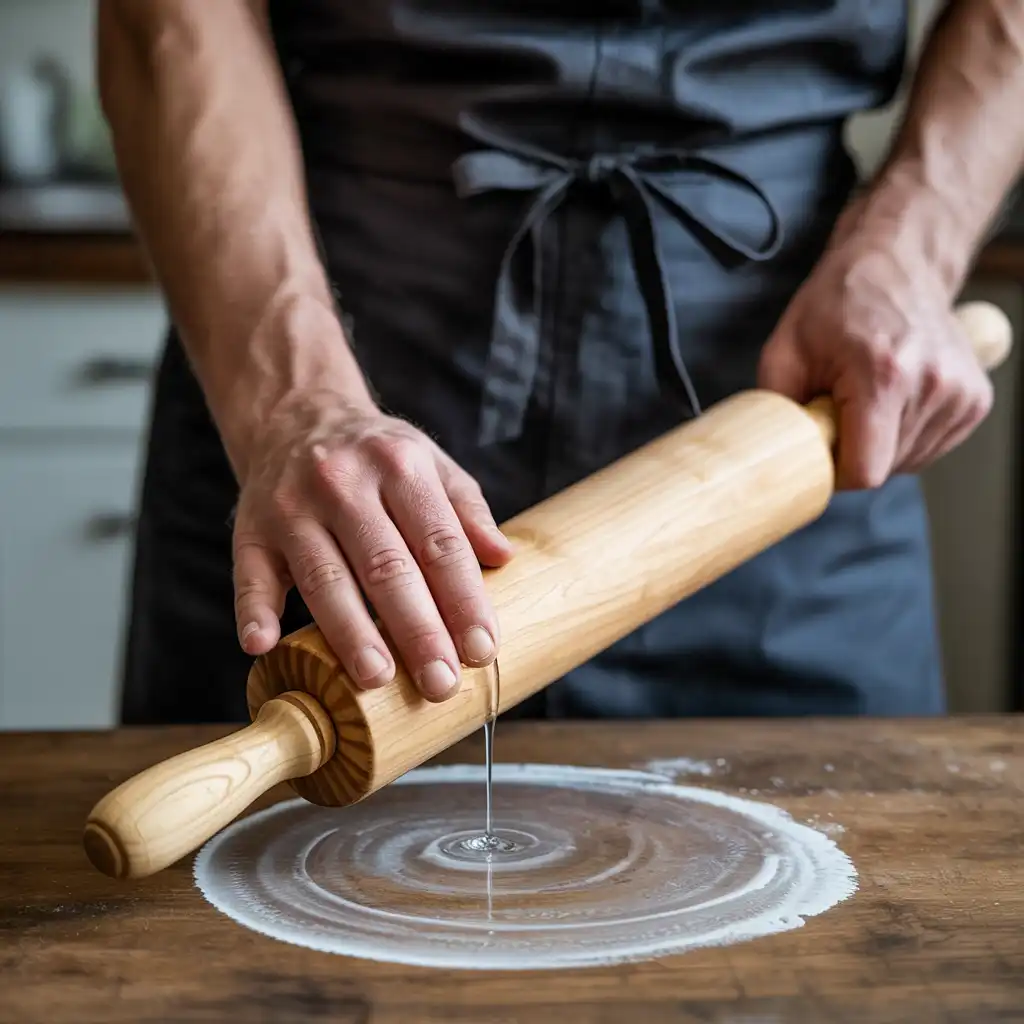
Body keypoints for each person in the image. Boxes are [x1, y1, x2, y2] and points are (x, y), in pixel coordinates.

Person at [97, 1, 1022, 726]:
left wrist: (913, 246)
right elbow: (171, 13)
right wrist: (295, 402)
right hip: (322, 378)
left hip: (784, 428)